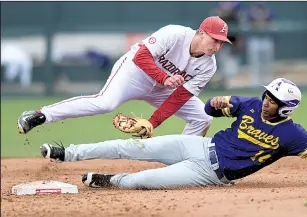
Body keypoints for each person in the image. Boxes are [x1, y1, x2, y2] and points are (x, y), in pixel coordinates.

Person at [39, 78, 307, 189]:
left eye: (275, 101)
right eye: (268, 95)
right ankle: (68, 152)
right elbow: (210, 113)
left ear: (286, 109)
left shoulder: (292, 134)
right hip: (199, 145)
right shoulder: (250, 104)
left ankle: (109, 181)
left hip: (210, 173)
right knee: (130, 147)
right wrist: (215, 105)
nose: (267, 101)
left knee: (140, 181)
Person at [17, 16, 232, 137]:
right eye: (214, 39)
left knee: (202, 117)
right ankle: (41, 115)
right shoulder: (175, 34)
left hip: (163, 89)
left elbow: (179, 98)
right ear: (201, 32)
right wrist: (164, 78)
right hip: (135, 74)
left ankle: (184, 161)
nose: (218, 45)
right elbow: (141, 56)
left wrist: (151, 123)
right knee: (105, 103)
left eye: (222, 42)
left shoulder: (208, 66)